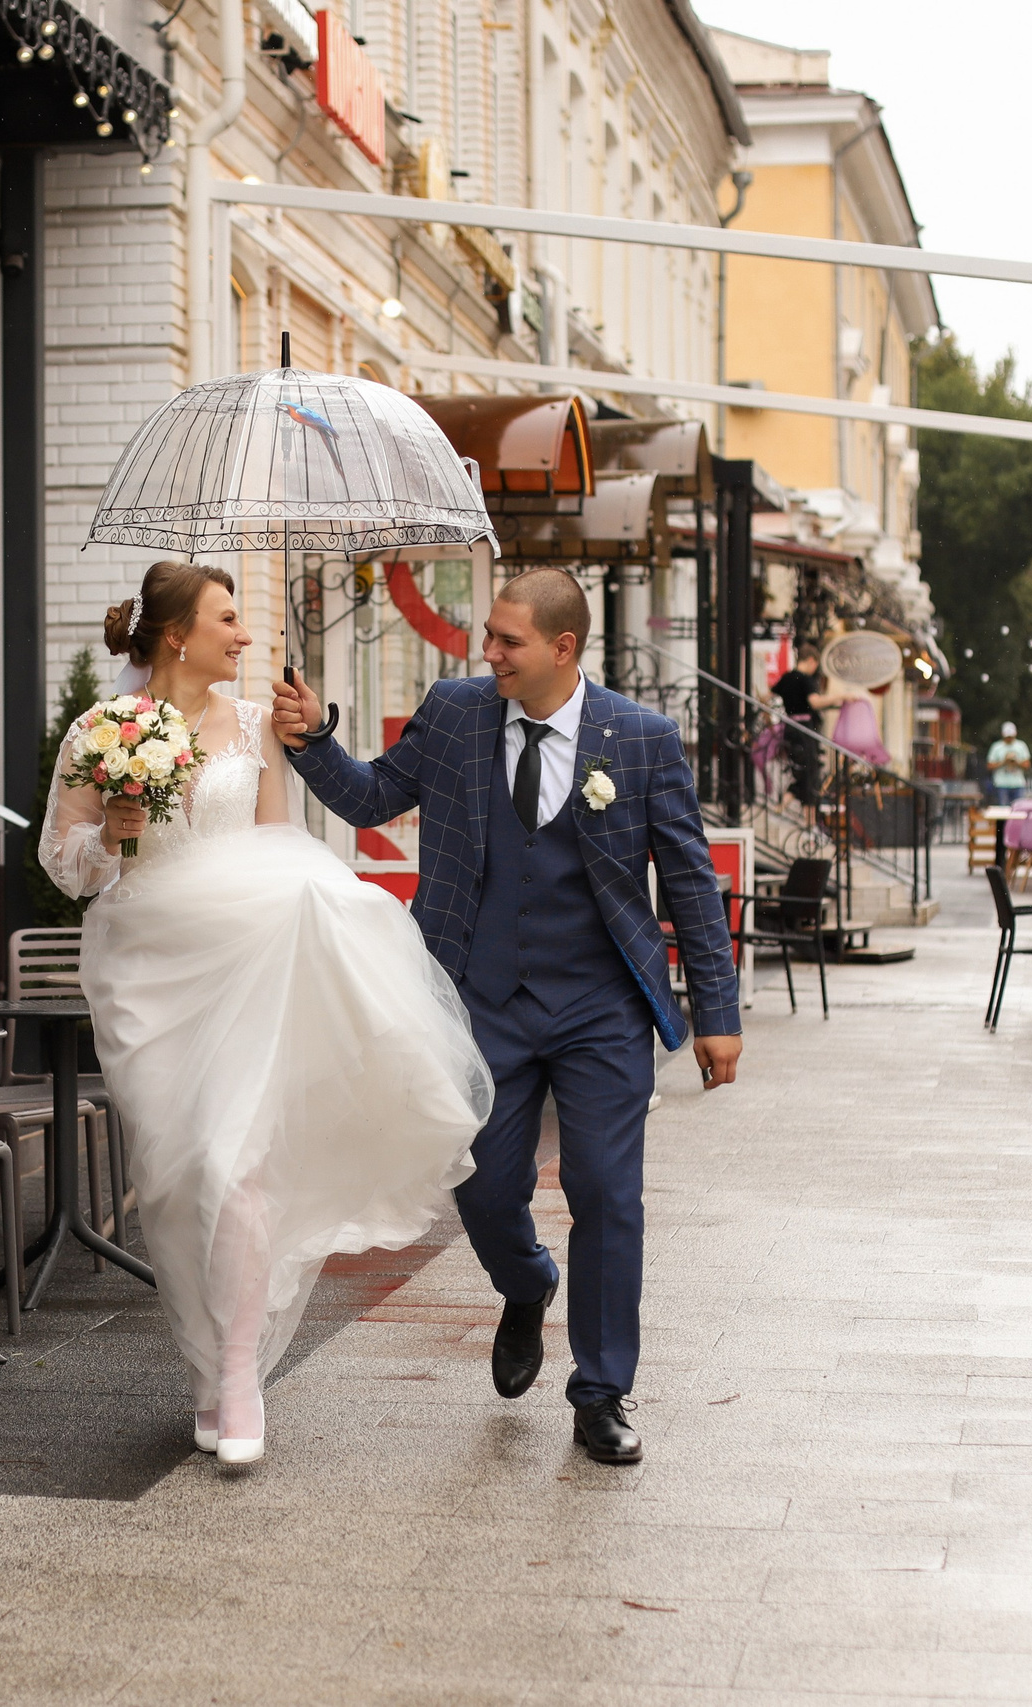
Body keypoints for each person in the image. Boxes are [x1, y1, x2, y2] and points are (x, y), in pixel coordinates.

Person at [273, 568, 742, 1467]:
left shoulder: (641, 739)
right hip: (481, 999)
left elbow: (688, 879)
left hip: (602, 1007)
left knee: (607, 1193)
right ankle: (526, 1282)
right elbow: (373, 795)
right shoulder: (456, 714)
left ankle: (600, 1390)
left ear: (563, 648)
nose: (487, 652)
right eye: (488, 635)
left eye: (507, 640)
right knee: (483, 1189)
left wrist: (717, 1011)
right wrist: (313, 739)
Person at [39, 562, 493, 1467]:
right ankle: (205, 1369)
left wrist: (341, 914)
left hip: (246, 965)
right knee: (174, 1175)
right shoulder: (99, 731)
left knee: (235, 1162)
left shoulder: (254, 727)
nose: (244, 635)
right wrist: (114, 832)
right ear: (178, 635)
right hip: (147, 973)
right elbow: (64, 862)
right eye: (227, 618)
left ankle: (240, 1372)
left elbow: (283, 845)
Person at [772, 646, 851, 805]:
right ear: (810, 660)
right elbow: (815, 702)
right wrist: (840, 697)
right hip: (804, 729)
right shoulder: (806, 680)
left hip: (790, 727)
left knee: (801, 769)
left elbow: (769, 694)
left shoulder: (787, 677)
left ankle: (788, 801)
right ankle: (800, 807)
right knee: (810, 770)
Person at [986, 722, 1031, 806]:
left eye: (1011, 736)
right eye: (1007, 737)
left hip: (1018, 784)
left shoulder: (1021, 746)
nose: (1009, 739)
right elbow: (989, 766)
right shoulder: (996, 747)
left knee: (1019, 809)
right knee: (1003, 810)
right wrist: (1004, 762)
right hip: (1001, 784)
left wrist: (1016, 762)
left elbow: (1027, 765)